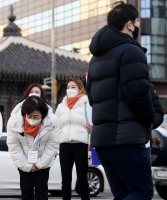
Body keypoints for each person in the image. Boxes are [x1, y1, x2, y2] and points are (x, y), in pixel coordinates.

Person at [87, 2, 155, 199]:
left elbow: (92, 97)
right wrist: (149, 119)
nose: (138, 25)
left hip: (103, 140)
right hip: (127, 138)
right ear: (130, 24)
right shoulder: (131, 51)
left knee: (123, 193)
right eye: (137, 22)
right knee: (141, 192)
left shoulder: (96, 58)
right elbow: (138, 94)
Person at [7, 96, 59, 200]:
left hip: (44, 159)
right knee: (26, 191)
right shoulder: (14, 122)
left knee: (42, 190)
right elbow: (13, 146)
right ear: (24, 113)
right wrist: (26, 165)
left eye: (36, 117)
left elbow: (52, 144)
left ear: (42, 115)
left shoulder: (52, 120)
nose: (32, 120)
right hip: (24, 159)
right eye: (29, 116)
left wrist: (40, 163)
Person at [55, 78, 91, 200]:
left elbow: (94, 122)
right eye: (68, 87)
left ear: (80, 89)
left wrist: (92, 128)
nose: (70, 89)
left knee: (82, 180)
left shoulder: (87, 104)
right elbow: (56, 126)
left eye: (73, 87)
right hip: (64, 146)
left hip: (81, 145)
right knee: (65, 180)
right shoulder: (61, 107)